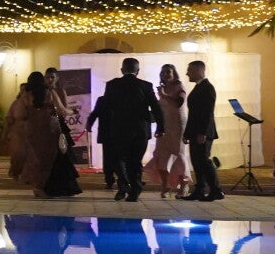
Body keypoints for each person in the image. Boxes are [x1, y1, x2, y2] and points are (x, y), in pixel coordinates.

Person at [87, 57, 163, 201]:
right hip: (140, 130)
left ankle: (124, 183)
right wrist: (161, 127)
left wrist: (97, 124)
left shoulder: (112, 85)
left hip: (119, 129)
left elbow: (106, 106)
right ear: (138, 71)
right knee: (135, 161)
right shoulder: (146, 86)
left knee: (117, 159)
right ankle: (135, 189)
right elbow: (156, 108)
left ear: (122, 70)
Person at [9, 72, 62, 196]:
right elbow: (60, 110)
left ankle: (37, 186)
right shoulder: (50, 93)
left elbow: (19, 115)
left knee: (34, 158)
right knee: (48, 158)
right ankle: (43, 185)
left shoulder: (25, 96)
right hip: (49, 128)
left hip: (31, 129)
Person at [145, 64, 189, 196]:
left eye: (168, 72)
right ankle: (165, 185)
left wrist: (163, 95)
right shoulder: (162, 89)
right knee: (161, 153)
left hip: (177, 124)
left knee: (177, 153)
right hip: (164, 125)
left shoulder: (179, 86)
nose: (165, 74)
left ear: (174, 73)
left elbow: (179, 103)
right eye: (163, 72)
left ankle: (183, 185)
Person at [184, 61, 224, 202]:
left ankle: (216, 190)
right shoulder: (199, 87)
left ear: (199, 70)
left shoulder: (207, 88)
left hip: (202, 132)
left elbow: (207, 112)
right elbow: (193, 114)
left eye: (189, 70)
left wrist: (203, 132)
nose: (187, 73)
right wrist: (187, 133)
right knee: (197, 161)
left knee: (204, 161)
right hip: (195, 131)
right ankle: (200, 190)